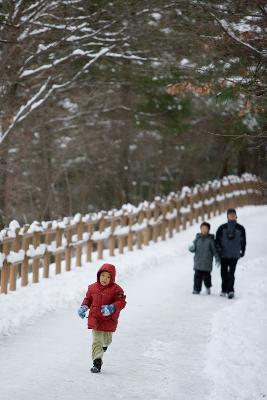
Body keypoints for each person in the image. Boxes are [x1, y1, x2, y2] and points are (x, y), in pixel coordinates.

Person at [78, 263, 126, 373]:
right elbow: (88, 299)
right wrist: (84, 307)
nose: (105, 278)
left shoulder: (117, 290)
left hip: (109, 320)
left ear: (112, 278)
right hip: (95, 319)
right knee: (96, 341)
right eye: (103, 275)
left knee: (107, 340)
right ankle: (97, 361)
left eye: (108, 277)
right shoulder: (92, 288)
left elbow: (121, 302)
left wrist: (112, 307)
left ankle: (105, 345)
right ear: (98, 275)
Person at [215, 208, 246, 299]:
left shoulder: (240, 228)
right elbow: (217, 240)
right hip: (223, 254)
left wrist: (243, 250)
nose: (232, 216)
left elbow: (243, 241)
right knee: (223, 273)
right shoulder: (222, 228)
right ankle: (224, 289)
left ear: (236, 216)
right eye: (230, 215)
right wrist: (218, 249)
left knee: (231, 273)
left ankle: (230, 291)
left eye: (233, 215)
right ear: (227, 216)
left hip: (234, 255)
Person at [189, 222, 219, 295]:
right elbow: (193, 249)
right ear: (200, 229)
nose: (204, 230)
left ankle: (208, 287)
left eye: (205, 229)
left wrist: (217, 258)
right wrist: (191, 248)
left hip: (207, 263)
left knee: (207, 277)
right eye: (202, 228)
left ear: (208, 230)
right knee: (197, 276)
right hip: (198, 262)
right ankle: (196, 289)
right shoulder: (197, 239)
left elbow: (214, 251)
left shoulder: (211, 240)